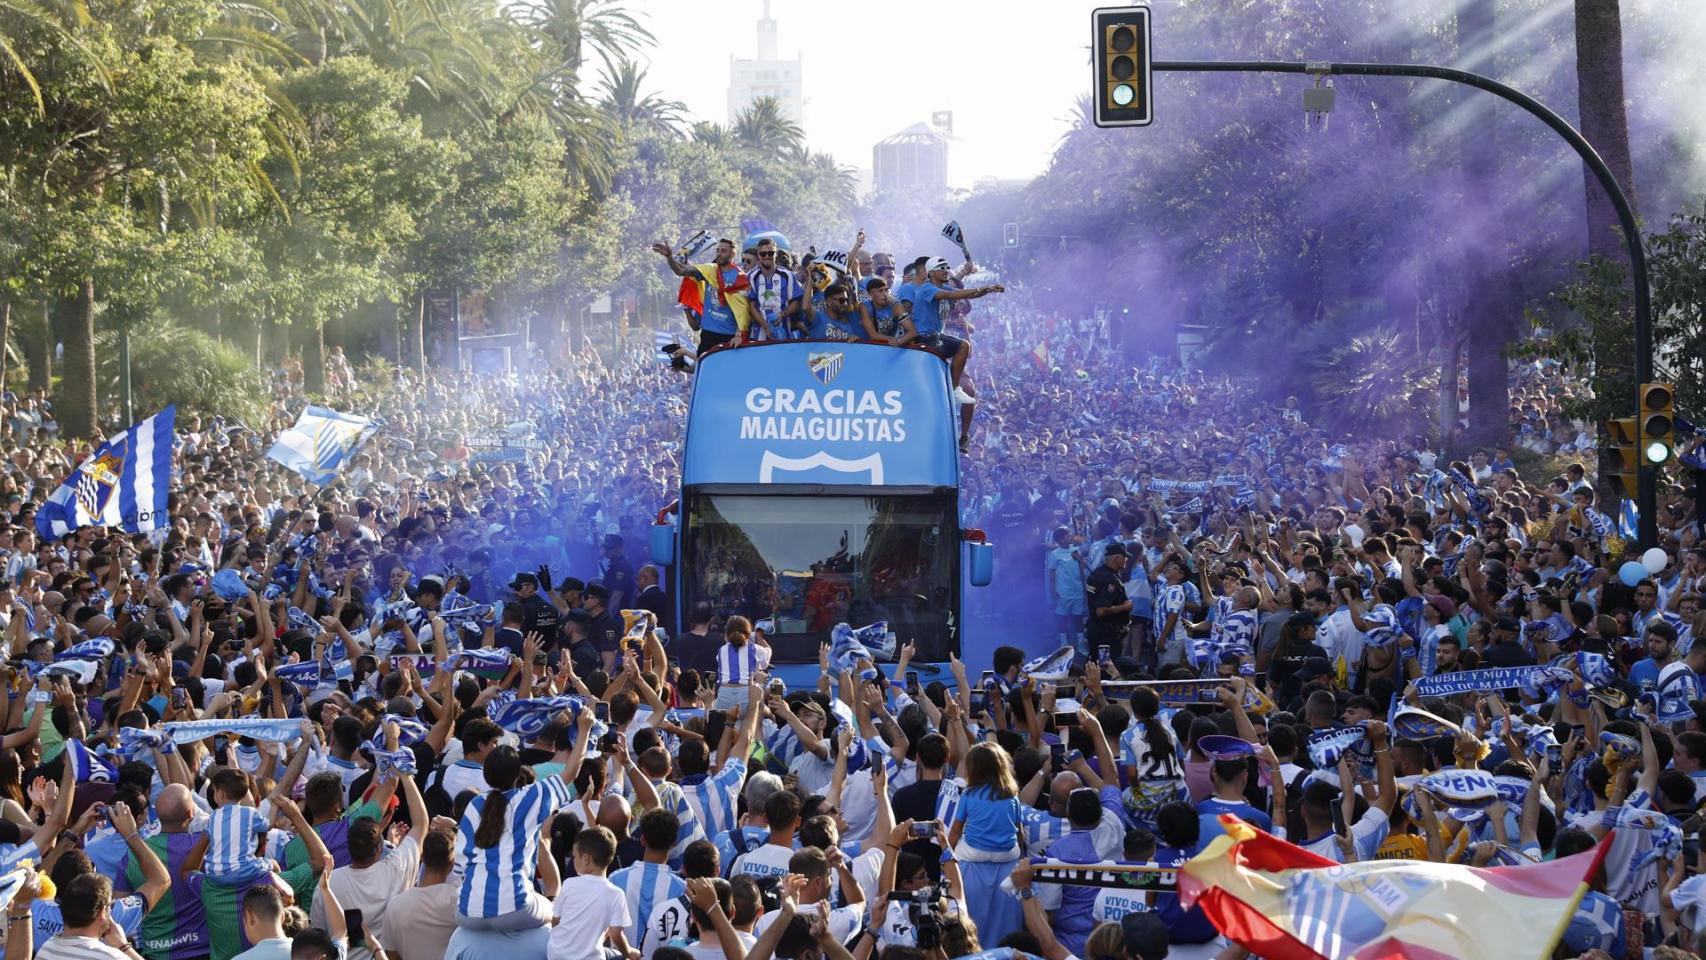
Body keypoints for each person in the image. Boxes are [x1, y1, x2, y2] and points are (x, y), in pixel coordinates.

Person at [456, 707, 592, 931]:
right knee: (554, 905)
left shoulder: (474, 804)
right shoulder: (531, 796)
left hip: (467, 912)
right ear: (517, 773)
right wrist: (584, 730)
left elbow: (460, 867)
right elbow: (571, 772)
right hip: (516, 908)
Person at [651, 238, 769, 352]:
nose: (719, 253)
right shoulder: (709, 270)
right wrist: (669, 257)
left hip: (729, 336)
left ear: (733, 254)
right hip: (708, 334)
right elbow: (681, 271)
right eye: (717, 250)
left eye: (723, 251)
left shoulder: (741, 278)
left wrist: (739, 335)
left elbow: (743, 311)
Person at [546, 827, 634, 960]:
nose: (572, 860)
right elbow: (616, 934)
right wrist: (629, 953)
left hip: (556, 954)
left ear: (586, 859)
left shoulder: (569, 884)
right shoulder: (616, 894)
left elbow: (555, 921)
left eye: (574, 856)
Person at [379, 827, 459, 960]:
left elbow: (391, 955)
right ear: (452, 864)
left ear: (422, 857)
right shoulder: (460, 901)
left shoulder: (396, 905)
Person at [1086, 542, 1133, 663]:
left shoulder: (1097, 573)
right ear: (1116, 558)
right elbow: (1101, 611)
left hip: (1097, 630)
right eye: (1124, 557)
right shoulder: (1109, 579)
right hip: (1106, 635)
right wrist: (1125, 606)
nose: (1126, 560)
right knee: (1106, 667)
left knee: (1095, 663)